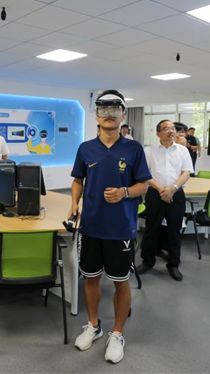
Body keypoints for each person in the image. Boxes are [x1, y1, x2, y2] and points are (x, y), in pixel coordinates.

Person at [68, 89, 151, 364]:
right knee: (91, 278)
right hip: (90, 225)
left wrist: (124, 192)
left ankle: (117, 333)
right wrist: (74, 204)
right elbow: (77, 180)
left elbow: (143, 185)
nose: (109, 114)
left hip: (121, 228)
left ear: (123, 114)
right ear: (96, 115)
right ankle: (93, 325)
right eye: (103, 109)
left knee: (120, 281)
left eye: (115, 109)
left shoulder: (134, 149)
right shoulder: (85, 148)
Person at [137, 120, 193, 282]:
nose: (171, 131)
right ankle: (147, 261)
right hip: (155, 194)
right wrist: (162, 190)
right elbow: (145, 174)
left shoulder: (182, 150)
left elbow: (186, 173)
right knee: (151, 229)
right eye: (166, 128)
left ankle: (173, 264)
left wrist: (172, 189)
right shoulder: (149, 151)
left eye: (173, 128)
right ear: (158, 133)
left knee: (174, 230)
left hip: (176, 194)